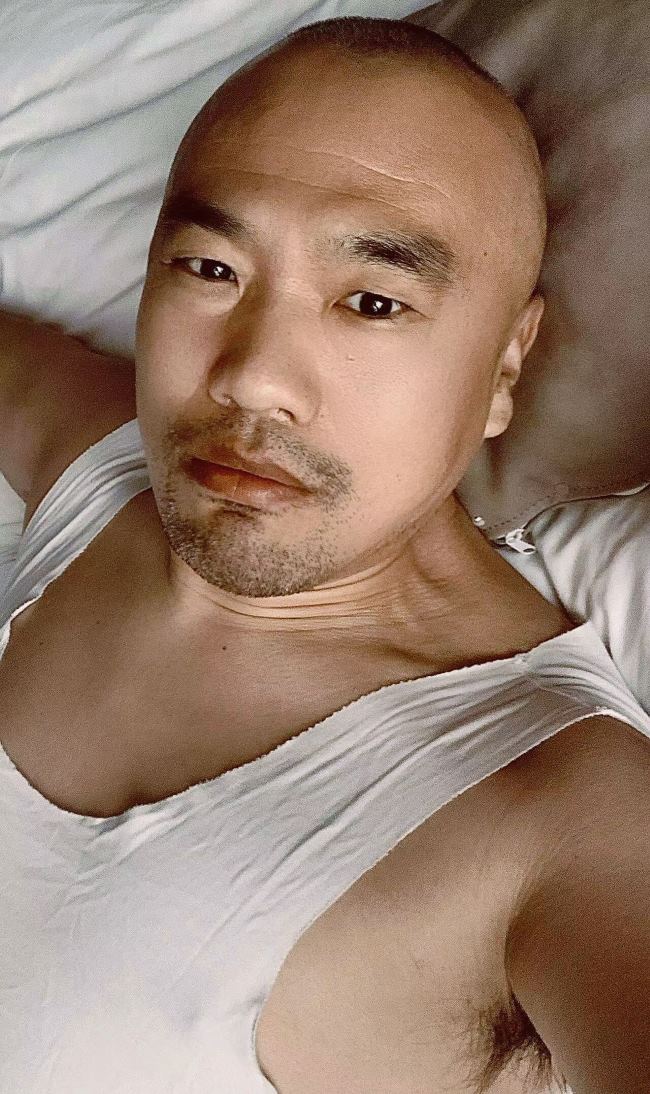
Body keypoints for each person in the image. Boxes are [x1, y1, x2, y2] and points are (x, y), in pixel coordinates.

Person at [0, 16, 648, 1094]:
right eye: (210, 267)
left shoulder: (561, 816)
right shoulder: (107, 477)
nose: (251, 377)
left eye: (373, 301)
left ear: (503, 365)